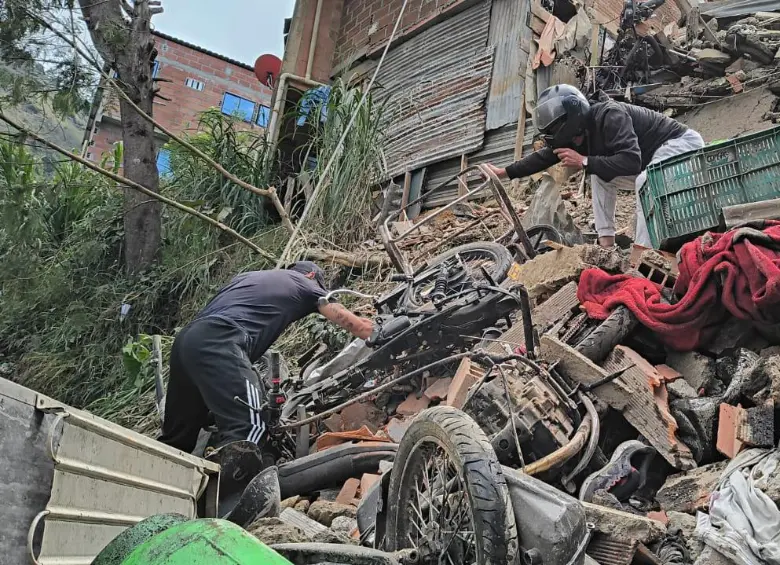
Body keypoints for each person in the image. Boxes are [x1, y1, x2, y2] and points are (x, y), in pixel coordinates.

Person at [158, 261, 374, 455]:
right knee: (250, 426)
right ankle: (232, 494)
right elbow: (349, 320)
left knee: (176, 439)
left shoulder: (247, 278)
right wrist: (372, 331)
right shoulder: (304, 283)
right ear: (311, 277)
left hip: (186, 341)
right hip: (221, 340)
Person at [486, 84, 705, 249]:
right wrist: (504, 172)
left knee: (644, 181)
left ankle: (643, 253)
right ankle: (607, 246)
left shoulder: (610, 115)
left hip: (681, 145)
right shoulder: (575, 132)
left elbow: (631, 160)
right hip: (651, 160)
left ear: (570, 122)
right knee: (599, 175)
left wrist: (583, 161)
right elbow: (544, 157)